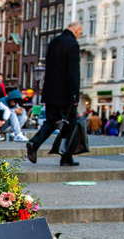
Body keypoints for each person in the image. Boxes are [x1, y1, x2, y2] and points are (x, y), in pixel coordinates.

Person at [26, 22, 83, 166]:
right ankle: (66, 156)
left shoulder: (54, 42)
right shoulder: (72, 44)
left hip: (50, 92)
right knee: (71, 125)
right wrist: (75, 94)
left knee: (51, 122)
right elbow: (73, 72)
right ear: (76, 30)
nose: (79, 35)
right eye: (80, 33)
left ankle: (34, 143)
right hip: (65, 94)